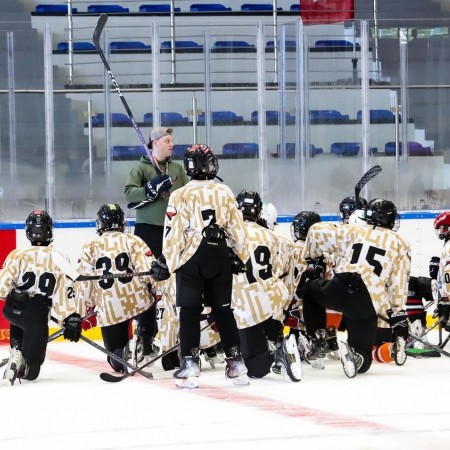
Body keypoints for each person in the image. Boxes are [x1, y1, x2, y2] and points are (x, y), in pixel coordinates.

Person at [153, 143, 250, 388]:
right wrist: (242, 256)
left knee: (189, 313)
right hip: (219, 258)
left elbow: (173, 234)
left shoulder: (180, 194)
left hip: (191, 260)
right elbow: (237, 229)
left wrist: (168, 261)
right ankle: (236, 365)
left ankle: (190, 366)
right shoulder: (225, 191)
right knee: (223, 311)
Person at [302, 198, 411, 378]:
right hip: (367, 302)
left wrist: (312, 258)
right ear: (392, 220)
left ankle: (319, 339)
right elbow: (398, 285)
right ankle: (356, 355)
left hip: (340, 288)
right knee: (364, 361)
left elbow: (316, 231)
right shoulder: (401, 243)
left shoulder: (355, 230)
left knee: (310, 290)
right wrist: (398, 314)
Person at [124, 127, 189, 368]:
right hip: (148, 230)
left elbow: (186, 195)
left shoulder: (177, 169)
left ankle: (176, 337)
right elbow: (130, 196)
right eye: (167, 141)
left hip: (173, 231)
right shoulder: (141, 168)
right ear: (155, 143)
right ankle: (145, 334)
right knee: (147, 284)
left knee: (175, 284)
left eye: (172, 140)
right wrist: (149, 190)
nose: (172, 145)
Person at [73, 203, 156, 373]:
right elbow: (148, 272)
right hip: (137, 301)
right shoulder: (134, 240)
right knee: (149, 301)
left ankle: (122, 352)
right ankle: (145, 338)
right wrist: (157, 290)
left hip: (110, 309)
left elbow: (83, 283)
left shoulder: (90, 246)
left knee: (115, 361)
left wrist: (82, 313)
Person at [0, 210, 80, 385]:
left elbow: (2, 289)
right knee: (32, 370)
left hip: (13, 311)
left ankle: (16, 350)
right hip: (37, 317)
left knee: (18, 309)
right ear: (50, 231)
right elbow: (65, 290)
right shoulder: (60, 256)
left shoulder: (17, 254)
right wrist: (70, 316)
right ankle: (23, 360)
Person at [232, 191, 302, 382]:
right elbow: (279, 271)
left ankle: (278, 353)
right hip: (271, 299)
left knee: (256, 369)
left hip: (245, 305)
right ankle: (275, 340)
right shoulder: (271, 237)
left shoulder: (228, 234)